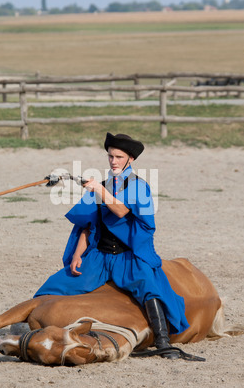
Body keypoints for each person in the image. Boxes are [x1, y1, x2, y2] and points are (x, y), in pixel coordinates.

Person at [34, 133, 189, 359]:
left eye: (119, 157)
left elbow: (121, 211)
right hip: (100, 257)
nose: (113, 161)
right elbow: (88, 225)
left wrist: (99, 189)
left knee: (149, 285)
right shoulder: (103, 186)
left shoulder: (139, 186)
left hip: (129, 256)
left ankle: (163, 340)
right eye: (110, 156)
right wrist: (78, 254)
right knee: (57, 283)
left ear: (130, 160)